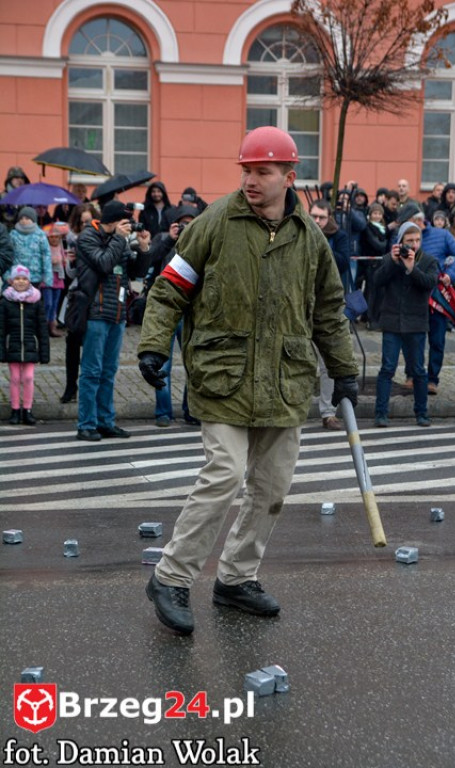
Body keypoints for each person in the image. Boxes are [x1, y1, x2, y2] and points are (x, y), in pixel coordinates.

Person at [137, 126, 359, 634]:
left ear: (289, 176)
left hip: (284, 381)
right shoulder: (216, 221)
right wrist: (153, 344)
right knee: (223, 474)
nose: (251, 180)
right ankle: (171, 577)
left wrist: (344, 371)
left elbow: (329, 310)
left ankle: (237, 578)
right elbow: (170, 288)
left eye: (262, 171)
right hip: (224, 376)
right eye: (246, 171)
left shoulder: (310, 238)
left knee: (271, 486)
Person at [75, 200, 151, 441]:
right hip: (96, 313)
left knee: (109, 371)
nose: (128, 225)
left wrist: (144, 248)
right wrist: (119, 238)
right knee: (91, 372)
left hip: (118, 314)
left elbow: (136, 272)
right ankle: (86, 424)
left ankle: (105, 422)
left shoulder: (120, 240)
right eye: (124, 221)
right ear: (113, 220)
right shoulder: (88, 237)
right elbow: (104, 264)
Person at [396, 204, 455, 394]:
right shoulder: (402, 236)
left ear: (418, 220)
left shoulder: (442, 235)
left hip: (436, 297)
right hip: (412, 296)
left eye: (408, 222)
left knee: (437, 340)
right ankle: (412, 375)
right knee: (411, 339)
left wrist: (450, 275)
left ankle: (432, 379)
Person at [374, 223, 437, 427]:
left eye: (417, 240)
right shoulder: (390, 258)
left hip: (416, 323)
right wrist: (393, 263)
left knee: (418, 370)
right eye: (410, 241)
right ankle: (381, 413)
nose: (414, 245)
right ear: (401, 242)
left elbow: (429, 283)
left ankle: (422, 413)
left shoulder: (428, 261)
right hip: (392, 321)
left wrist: (412, 269)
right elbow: (376, 281)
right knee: (387, 368)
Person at [145, 205, 201, 427]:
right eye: (182, 223)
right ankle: (163, 412)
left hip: (191, 310)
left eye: (190, 223)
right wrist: (170, 238)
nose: (186, 227)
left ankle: (191, 410)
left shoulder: (201, 241)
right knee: (162, 365)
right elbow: (150, 258)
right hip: (167, 311)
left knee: (193, 364)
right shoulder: (163, 238)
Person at [309, 198, 351, 430]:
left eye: (321, 217)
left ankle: (328, 412)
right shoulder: (299, 232)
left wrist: (321, 244)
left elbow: (342, 262)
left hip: (327, 307)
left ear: (329, 218)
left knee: (328, 364)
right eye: (314, 216)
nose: (317, 221)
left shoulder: (339, 236)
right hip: (302, 304)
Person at [59, 203, 101, 404]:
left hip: (96, 295)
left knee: (92, 345)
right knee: (72, 343)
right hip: (78, 297)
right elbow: (71, 274)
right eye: (82, 222)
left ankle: (90, 387)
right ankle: (70, 385)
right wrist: (72, 261)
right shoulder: (73, 240)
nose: (85, 225)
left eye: (89, 221)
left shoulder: (101, 239)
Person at [0, 264, 49, 425]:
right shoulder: (5, 302)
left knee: (28, 377)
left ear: (29, 281)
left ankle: (27, 409)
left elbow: (42, 329)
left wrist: (44, 352)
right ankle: (15, 409)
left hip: (30, 346)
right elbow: (1, 329)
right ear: (11, 281)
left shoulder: (36, 301)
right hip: (13, 346)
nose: (20, 281)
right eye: (17, 278)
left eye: (24, 279)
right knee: (14, 378)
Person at [6, 207, 53, 289]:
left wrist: (48, 277)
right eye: (21, 218)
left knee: (33, 296)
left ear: (33, 220)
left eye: (27, 218)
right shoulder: (13, 234)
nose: (24, 220)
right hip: (17, 276)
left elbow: (46, 255)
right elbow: (8, 255)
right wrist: (7, 275)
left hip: (35, 277)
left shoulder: (40, 234)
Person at [359, 202, 389, 330]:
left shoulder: (383, 228)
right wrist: (385, 242)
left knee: (375, 292)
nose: (377, 216)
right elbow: (378, 245)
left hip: (379, 263)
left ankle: (368, 316)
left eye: (379, 213)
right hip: (371, 263)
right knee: (372, 292)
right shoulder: (368, 228)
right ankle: (371, 319)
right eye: (375, 213)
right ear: (370, 215)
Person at [41, 222, 68, 337]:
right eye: (51, 237)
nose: (54, 239)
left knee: (55, 304)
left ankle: (52, 326)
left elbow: (64, 260)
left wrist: (65, 260)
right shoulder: (45, 247)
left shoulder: (61, 246)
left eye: (56, 237)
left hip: (59, 278)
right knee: (48, 303)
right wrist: (51, 260)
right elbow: (43, 260)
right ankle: (44, 325)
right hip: (47, 278)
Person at [0, 166, 30, 230]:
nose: (20, 180)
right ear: (10, 180)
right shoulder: (2, 197)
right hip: (5, 233)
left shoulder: (27, 199)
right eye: (16, 177)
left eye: (22, 178)